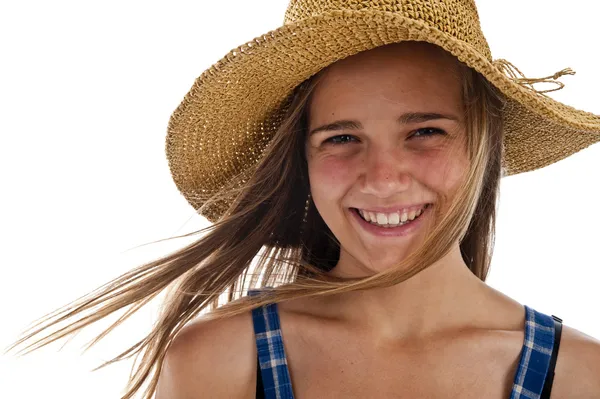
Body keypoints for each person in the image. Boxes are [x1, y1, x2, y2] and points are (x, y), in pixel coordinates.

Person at [6, 1, 600, 398]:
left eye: (425, 132)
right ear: (303, 163)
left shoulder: (576, 375)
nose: (383, 176)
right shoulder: (222, 359)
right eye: (342, 138)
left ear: (484, 147)